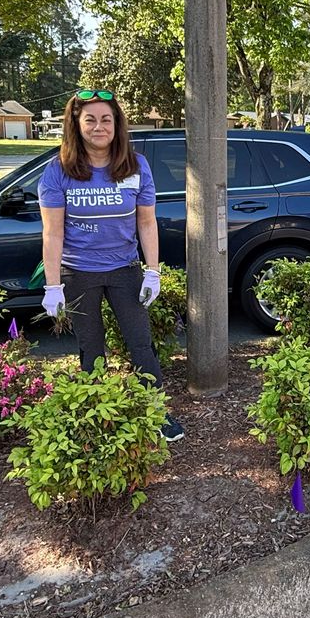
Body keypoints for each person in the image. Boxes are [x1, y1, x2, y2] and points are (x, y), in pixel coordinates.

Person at [37, 88, 184, 442]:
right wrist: (53, 286)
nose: (98, 126)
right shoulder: (57, 171)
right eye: (90, 119)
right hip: (78, 271)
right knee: (91, 347)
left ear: (117, 125)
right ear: (77, 124)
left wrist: (152, 271)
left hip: (124, 269)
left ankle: (155, 411)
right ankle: (95, 414)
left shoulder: (135, 166)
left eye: (106, 119)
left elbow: (147, 223)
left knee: (140, 343)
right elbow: (53, 233)